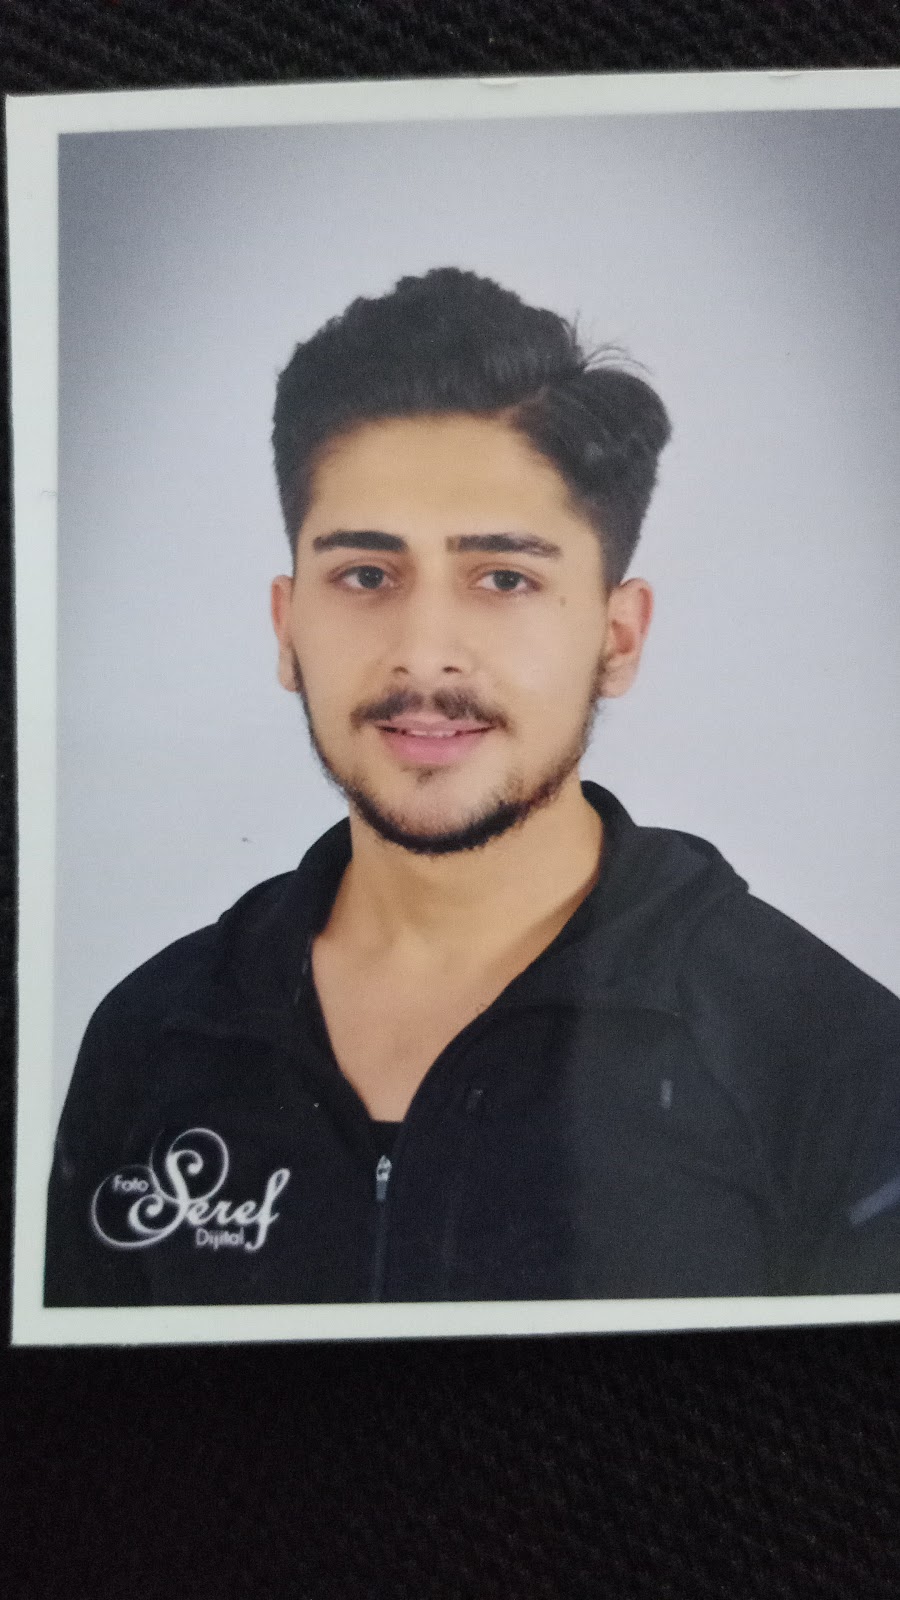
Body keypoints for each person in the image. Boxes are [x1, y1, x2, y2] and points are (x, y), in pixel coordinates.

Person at [45, 267, 900, 1308]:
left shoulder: (831, 1056)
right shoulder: (153, 1036)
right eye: (366, 575)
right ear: (287, 626)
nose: (424, 652)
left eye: (504, 578)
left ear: (617, 637)